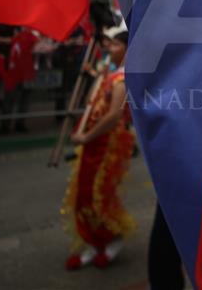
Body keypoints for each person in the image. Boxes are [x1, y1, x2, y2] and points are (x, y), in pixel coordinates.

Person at [62, 25, 135, 271]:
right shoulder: (111, 75)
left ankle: (111, 240)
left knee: (98, 195)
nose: (109, 48)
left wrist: (86, 136)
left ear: (127, 50)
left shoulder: (123, 80)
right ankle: (93, 243)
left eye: (115, 45)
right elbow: (90, 102)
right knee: (83, 195)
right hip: (94, 143)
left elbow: (113, 117)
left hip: (106, 145)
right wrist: (97, 77)